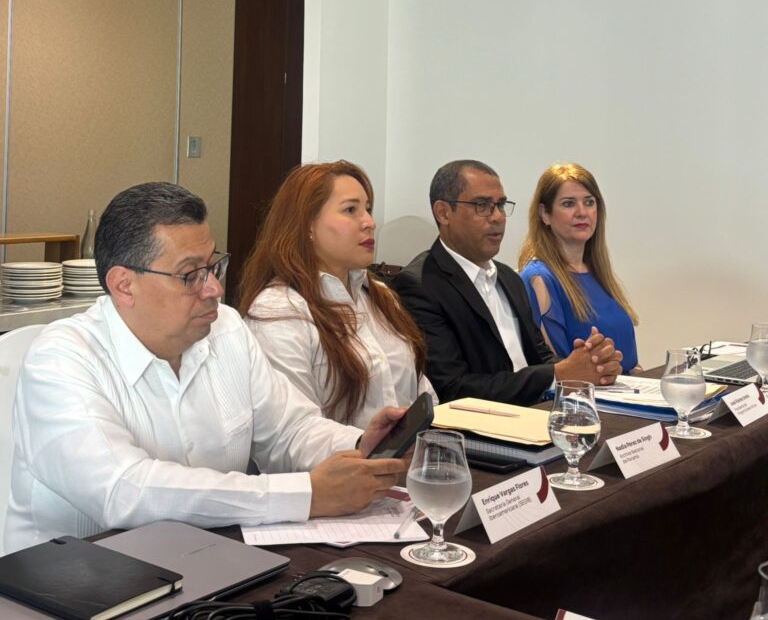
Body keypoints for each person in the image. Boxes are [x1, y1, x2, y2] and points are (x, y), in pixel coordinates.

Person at [4, 182, 407, 553]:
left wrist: (359, 446)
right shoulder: (60, 359)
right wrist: (306, 495)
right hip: (74, 580)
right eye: (190, 275)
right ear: (124, 285)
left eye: (213, 266)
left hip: (205, 558)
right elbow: (124, 489)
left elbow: (288, 430)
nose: (214, 288)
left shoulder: (225, 329)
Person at [393, 160, 622, 405]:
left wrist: (589, 364)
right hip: (482, 424)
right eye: (482, 205)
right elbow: (451, 388)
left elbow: (539, 357)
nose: (498, 217)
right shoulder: (420, 285)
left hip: (537, 411)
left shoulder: (508, 278)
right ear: (443, 213)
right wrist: (559, 374)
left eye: (501, 205)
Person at [238, 161, 434, 427]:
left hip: (411, 450)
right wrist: (365, 444)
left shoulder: (380, 296)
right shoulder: (279, 310)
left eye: (368, 209)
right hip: (342, 454)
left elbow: (422, 392)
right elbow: (291, 432)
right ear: (307, 225)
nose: (370, 223)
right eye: (350, 210)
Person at [518, 163, 640, 373]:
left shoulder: (598, 272)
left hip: (629, 388)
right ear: (545, 214)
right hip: (587, 393)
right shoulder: (539, 278)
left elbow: (628, 359)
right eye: (568, 204)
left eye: (589, 202)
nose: (582, 212)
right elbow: (559, 370)